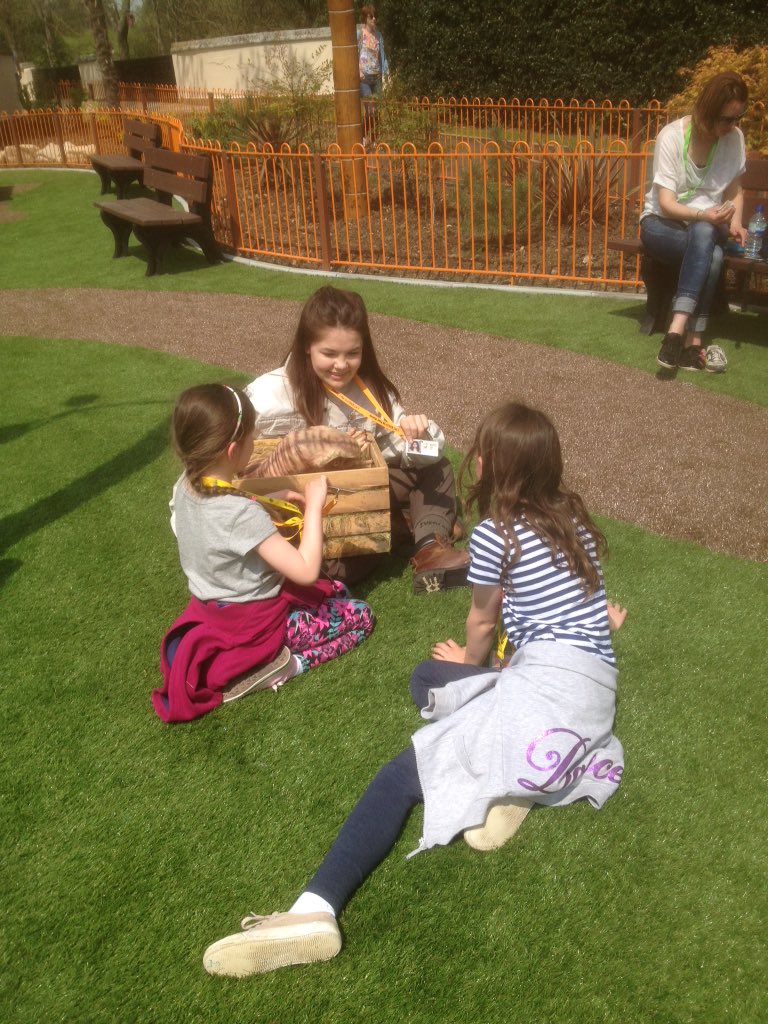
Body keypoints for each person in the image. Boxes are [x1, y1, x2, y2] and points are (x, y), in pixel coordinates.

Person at [202, 401, 625, 978]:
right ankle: (514, 787)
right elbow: (579, 606)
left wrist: (474, 664)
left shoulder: (498, 533)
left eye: (479, 451)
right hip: (592, 694)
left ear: (493, 465)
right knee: (430, 680)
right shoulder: (573, 519)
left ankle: (315, 908)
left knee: (404, 769)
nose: (471, 458)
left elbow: (481, 621)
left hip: (544, 690)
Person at [152, 383, 374, 723]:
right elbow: (304, 571)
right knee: (360, 616)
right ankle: (282, 665)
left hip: (212, 609)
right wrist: (314, 508)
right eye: (252, 439)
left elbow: (226, 503)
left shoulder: (186, 486)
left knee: (339, 591)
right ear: (232, 450)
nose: (255, 445)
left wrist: (275, 495)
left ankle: (271, 656)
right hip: (255, 623)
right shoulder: (241, 515)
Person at [245, 286, 469, 593]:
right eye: (329, 353)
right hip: (299, 509)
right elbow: (218, 461)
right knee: (345, 563)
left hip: (356, 490)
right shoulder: (269, 395)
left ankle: (429, 548)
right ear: (307, 347)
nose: (341, 365)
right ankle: (406, 526)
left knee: (436, 466)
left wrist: (418, 433)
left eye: (352, 353)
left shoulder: (370, 390)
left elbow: (402, 452)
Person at [640, 71, 749, 372]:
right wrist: (703, 215)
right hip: (662, 224)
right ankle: (694, 341)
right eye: (727, 119)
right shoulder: (672, 136)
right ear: (706, 112)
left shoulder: (734, 138)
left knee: (704, 232)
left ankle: (675, 331)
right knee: (711, 254)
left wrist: (737, 222)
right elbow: (666, 203)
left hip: (709, 225)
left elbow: (734, 189)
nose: (733, 126)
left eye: (738, 117)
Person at [357, 4, 389, 146]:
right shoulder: (360, 34)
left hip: (376, 77)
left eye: (375, 16)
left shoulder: (378, 36)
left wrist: (386, 74)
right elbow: (353, 54)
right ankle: (363, 137)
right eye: (371, 16)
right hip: (364, 79)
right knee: (370, 110)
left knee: (376, 112)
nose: (374, 19)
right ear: (366, 18)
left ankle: (375, 139)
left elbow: (382, 56)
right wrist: (358, 71)